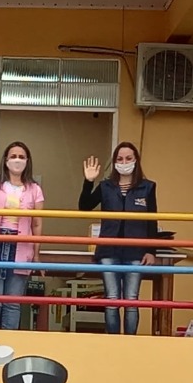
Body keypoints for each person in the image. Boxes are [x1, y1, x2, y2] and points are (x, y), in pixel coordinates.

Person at [79, 142, 158, 336]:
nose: (124, 163)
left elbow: (152, 221)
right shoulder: (106, 186)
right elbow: (84, 206)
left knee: (131, 300)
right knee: (112, 299)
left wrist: (151, 250)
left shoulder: (148, 187)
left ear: (136, 160)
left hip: (136, 251)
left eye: (128, 158)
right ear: (114, 162)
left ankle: (130, 342)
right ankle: (112, 342)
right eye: (120, 159)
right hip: (108, 250)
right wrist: (89, 181)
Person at [0, 142, 44, 331]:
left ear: (27, 161)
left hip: (22, 247)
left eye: (21, 157)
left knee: (13, 303)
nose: (17, 160)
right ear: (5, 160)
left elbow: (37, 223)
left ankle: (9, 343)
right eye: (13, 156)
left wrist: (37, 254)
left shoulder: (35, 189)